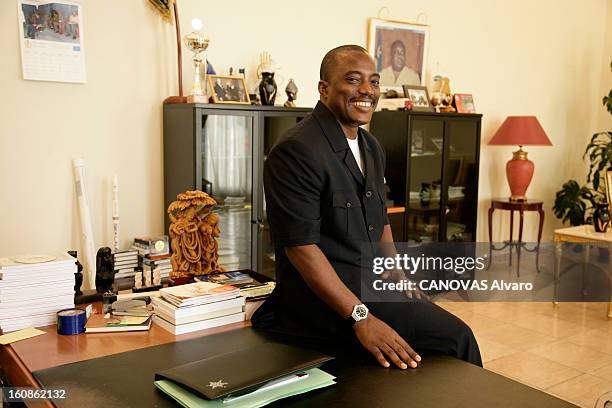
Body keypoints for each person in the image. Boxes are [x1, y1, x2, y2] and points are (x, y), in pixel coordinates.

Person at [252, 45, 482, 369]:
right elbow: (301, 249)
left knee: (444, 338)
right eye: (353, 80)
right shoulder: (296, 151)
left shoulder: (371, 147)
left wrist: (398, 274)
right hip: (321, 302)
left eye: (373, 82)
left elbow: (381, 218)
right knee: (458, 338)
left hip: (369, 282)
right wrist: (361, 317)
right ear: (324, 88)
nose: (367, 91)